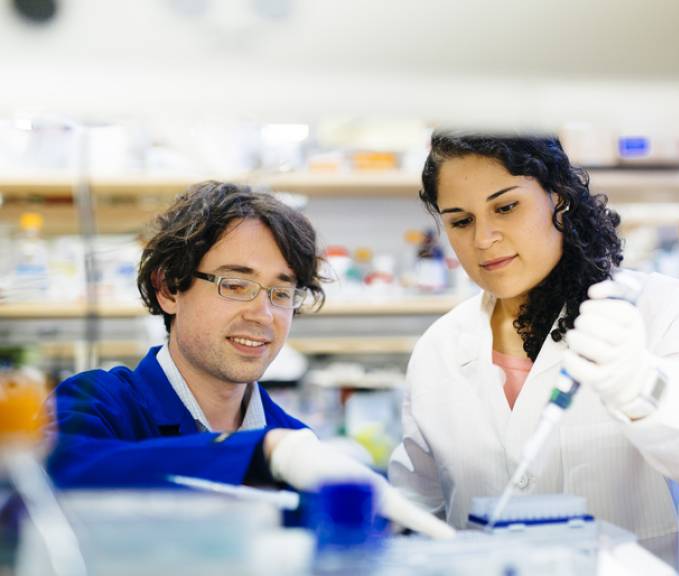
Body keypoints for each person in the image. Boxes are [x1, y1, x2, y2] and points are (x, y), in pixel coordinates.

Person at [388, 134, 679, 552]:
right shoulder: (440, 349)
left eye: (506, 207)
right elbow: (417, 512)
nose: (483, 238)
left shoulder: (657, 309)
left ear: (558, 197)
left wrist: (639, 384)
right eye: (461, 221)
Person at [48, 181, 454, 539]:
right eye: (236, 284)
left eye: (281, 293)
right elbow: (51, 479)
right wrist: (258, 454)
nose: (263, 314)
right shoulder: (99, 404)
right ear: (169, 289)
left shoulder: (297, 444)